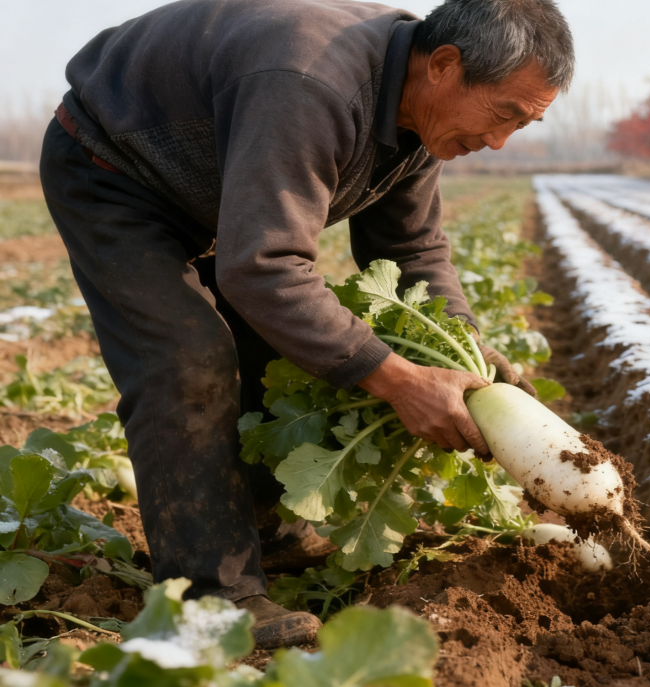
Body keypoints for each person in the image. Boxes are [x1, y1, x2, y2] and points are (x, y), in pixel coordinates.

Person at [39, 0, 573, 649]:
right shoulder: (310, 80)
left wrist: (459, 351)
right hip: (113, 169)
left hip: (207, 182)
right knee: (189, 357)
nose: (498, 142)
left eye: (523, 125)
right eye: (504, 115)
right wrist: (400, 379)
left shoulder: (418, 114)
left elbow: (411, 252)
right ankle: (212, 601)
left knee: (280, 340)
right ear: (444, 65)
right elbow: (261, 265)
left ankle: (266, 527)